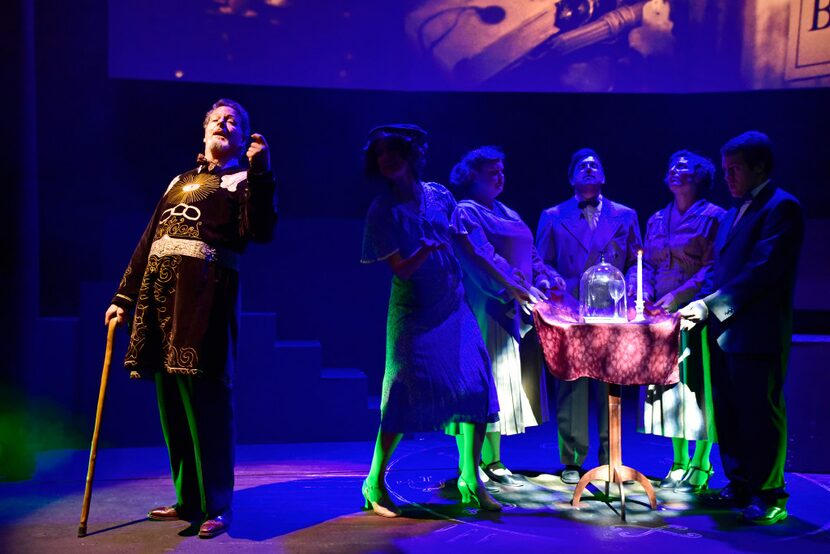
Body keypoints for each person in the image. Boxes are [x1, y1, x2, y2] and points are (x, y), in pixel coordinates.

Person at [104, 99, 277, 538]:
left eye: (233, 121)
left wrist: (261, 173)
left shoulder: (245, 180)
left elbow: (260, 232)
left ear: (243, 138)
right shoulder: (180, 181)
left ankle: (216, 503)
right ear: (204, 133)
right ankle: (189, 500)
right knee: (173, 408)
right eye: (217, 119)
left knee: (208, 404)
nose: (224, 124)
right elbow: (149, 238)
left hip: (205, 298)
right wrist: (123, 296)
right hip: (160, 301)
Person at [360, 125, 506, 516]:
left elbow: (469, 247)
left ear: (410, 157)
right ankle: (374, 481)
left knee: (474, 386)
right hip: (413, 313)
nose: (387, 160)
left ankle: (470, 479)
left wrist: (510, 285)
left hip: (452, 307)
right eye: (380, 155)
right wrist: (425, 250)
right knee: (402, 395)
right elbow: (401, 271)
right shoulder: (382, 210)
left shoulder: (440, 195)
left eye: (394, 153)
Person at [679, 131, 803, 525]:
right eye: (726, 169)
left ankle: (770, 495)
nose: (728, 178)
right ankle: (740, 484)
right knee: (729, 412)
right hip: (723, 332)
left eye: (735, 170)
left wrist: (710, 305)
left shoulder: (783, 208)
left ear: (760, 167)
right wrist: (692, 301)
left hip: (757, 332)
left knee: (759, 413)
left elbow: (762, 270)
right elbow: (719, 269)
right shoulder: (733, 212)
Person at [448, 146, 555, 484]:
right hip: (487, 306)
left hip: (513, 308)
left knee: (504, 380)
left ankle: (492, 458)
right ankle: (476, 461)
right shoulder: (466, 212)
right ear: (472, 176)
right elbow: (482, 257)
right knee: (485, 380)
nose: (500, 177)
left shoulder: (508, 211)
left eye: (502, 171)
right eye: (492, 172)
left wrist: (543, 277)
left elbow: (531, 252)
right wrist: (516, 287)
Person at [535, 148, 642, 485]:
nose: (589, 167)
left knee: (611, 384)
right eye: (582, 164)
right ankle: (571, 459)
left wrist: (635, 293)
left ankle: (612, 458)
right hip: (571, 311)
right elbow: (540, 261)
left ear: (604, 176)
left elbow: (637, 263)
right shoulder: (552, 215)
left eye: (596, 163)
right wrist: (551, 283)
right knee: (572, 385)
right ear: (571, 176)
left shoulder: (625, 215)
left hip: (612, 312)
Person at [635, 150, 725, 493]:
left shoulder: (714, 217)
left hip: (695, 312)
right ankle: (677, 461)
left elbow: (713, 267)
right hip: (660, 316)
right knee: (668, 387)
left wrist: (678, 297)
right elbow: (646, 264)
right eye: (671, 166)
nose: (675, 171)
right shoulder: (657, 218)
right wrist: (641, 292)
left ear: (700, 176)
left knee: (698, 387)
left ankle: (701, 463)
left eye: (684, 167)